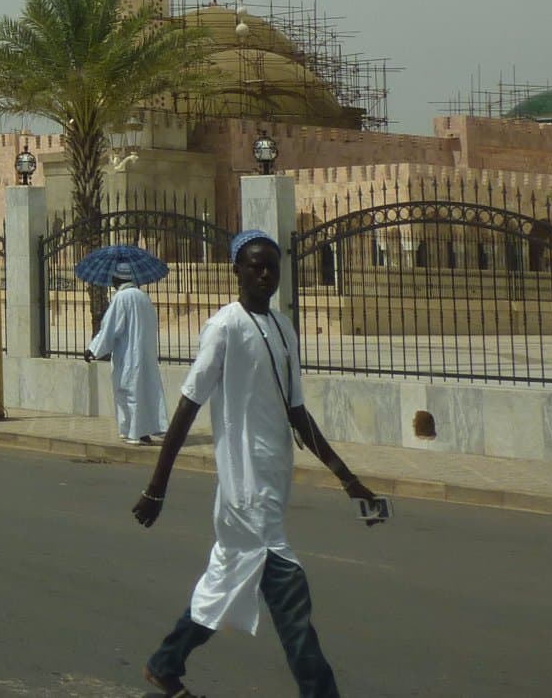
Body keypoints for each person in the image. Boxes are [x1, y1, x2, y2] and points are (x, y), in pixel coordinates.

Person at [132, 230, 385, 698]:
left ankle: (165, 663)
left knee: (224, 584)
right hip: (244, 489)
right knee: (289, 594)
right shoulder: (224, 327)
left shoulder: (285, 329)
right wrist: (156, 488)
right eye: (255, 265)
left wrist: (350, 481)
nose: (265, 273)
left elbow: (297, 412)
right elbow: (188, 404)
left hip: (272, 478)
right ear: (237, 270)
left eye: (272, 266)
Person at [86, 260, 168, 444]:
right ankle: (143, 431)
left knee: (129, 392)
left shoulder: (121, 298)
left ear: (116, 279)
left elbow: (110, 327)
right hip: (145, 354)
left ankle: (134, 433)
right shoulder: (143, 297)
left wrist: (93, 350)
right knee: (145, 392)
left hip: (129, 355)